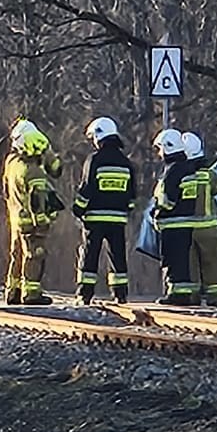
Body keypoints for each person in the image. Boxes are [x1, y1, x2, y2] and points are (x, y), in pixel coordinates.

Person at [72, 116, 136, 305]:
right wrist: (125, 211)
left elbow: (87, 188)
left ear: (99, 136)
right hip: (118, 220)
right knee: (118, 256)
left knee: (90, 255)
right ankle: (120, 294)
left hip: (95, 218)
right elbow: (132, 194)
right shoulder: (126, 163)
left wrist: (78, 208)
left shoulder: (94, 160)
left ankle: (85, 294)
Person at [2, 119, 64, 305]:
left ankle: (13, 291)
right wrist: (43, 223)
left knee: (17, 254)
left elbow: (6, 190)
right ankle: (31, 293)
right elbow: (38, 200)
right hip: (31, 222)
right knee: (35, 255)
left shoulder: (11, 163)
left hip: (15, 218)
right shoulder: (33, 172)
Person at [178, 131, 217, 308]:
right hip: (209, 227)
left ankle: (192, 295)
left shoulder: (179, 174)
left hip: (186, 226)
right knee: (213, 260)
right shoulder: (209, 175)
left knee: (190, 262)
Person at [150, 128, 199, 303]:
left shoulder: (173, 170)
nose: (159, 153)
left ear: (168, 147)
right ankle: (183, 294)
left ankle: (174, 294)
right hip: (186, 221)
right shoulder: (188, 168)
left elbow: (167, 199)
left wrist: (156, 211)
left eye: (160, 148)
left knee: (170, 259)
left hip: (172, 222)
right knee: (182, 260)